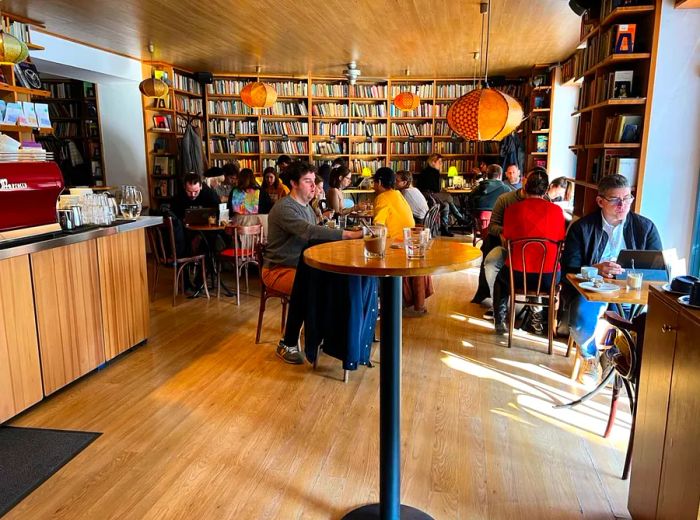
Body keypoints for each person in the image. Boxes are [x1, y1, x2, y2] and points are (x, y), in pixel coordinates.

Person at [561, 174, 662, 386]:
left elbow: (658, 268)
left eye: (627, 198)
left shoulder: (645, 228)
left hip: (631, 292)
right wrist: (595, 269)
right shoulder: (582, 228)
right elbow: (569, 268)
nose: (623, 205)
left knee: (657, 320)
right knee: (580, 317)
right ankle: (590, 356)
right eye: (616, 199)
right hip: (594, 290)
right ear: (600, 201)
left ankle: (627, 359)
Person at [263, 161, 363, 364]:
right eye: (307, 181)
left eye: (313, 181)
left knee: (334, 281)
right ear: (294, 183)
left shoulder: (306, 207)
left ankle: (327, 338)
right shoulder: (284, 208)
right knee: (311, 285)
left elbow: (315, 236)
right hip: (278, 270)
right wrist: (348, 235)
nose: (313, 185)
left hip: (303, 267)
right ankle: (287, 342)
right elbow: (310, 232)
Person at [492, 171, 566, 334]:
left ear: (525, 187)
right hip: (548, 277)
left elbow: (508, 238)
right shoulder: (556, 211)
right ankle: (538, 320)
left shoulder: (512, 210)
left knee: (500, 281)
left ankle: (500, 319)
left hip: (517, 274)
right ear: (546, 189)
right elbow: (560, 239)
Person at [373, 167, 433, 314]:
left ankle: (381, 301)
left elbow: (379, 227)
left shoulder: (382, 198)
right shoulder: (398, 194)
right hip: (410, 242)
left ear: (379, 182)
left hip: (394, 246)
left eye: (374, 182)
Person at [416, 153, 467, 237]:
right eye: (439, 162)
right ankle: (460, 218)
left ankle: (444, 229)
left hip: (431, 195)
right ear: (433, 162)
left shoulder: (430, 171)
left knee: (446, 205)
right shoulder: (431, 172)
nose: (441, 164)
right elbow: (435, 189)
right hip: (428, 196)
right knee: (448, 197)